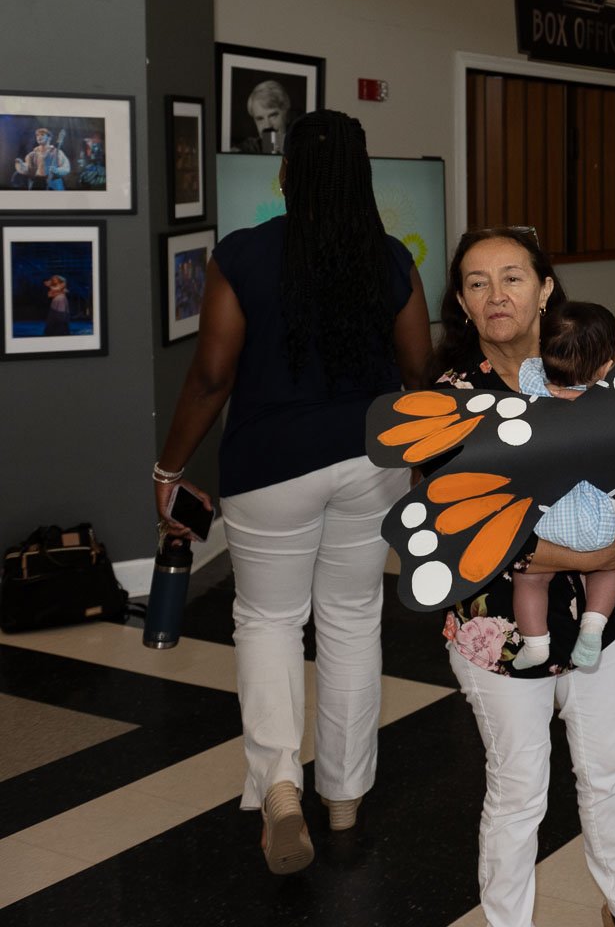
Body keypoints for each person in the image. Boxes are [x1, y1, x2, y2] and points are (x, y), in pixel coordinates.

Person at [152, 110, 432, 875]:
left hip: (269, 467)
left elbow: (212, 376)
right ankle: (344, 798)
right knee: (350, 619)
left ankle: (280, 786)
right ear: (361, 174)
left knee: (270, 621)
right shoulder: (387, 260)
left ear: (286, 175)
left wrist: (169, 469)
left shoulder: (242, 255)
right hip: (367, 460)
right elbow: (417, 370)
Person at [432, 227, 615, 927]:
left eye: (512, 277)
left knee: (606, 772)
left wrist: (613, 539)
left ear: (545, 289)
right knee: (519, 787)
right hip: (497, 627)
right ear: (463, 304)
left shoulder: (589, 371)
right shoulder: (450, 401)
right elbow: (454, 530)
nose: (496, 294)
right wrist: (582, 558)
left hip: (600, 619)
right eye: (477, 282)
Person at [508, 300, 615, 672]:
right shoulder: (612, 399)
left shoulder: (528, 378)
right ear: (608, 364)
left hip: (548, 515)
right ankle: (592, 628)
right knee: (606, 568)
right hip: (598, 516)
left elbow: (530, 370)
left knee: (530, 579)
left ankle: (535, 642)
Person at [241, 79, 294, 154]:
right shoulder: (249, 149)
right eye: (260, 119)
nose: (267, 125)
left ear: (287, 115)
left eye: (273, 115)